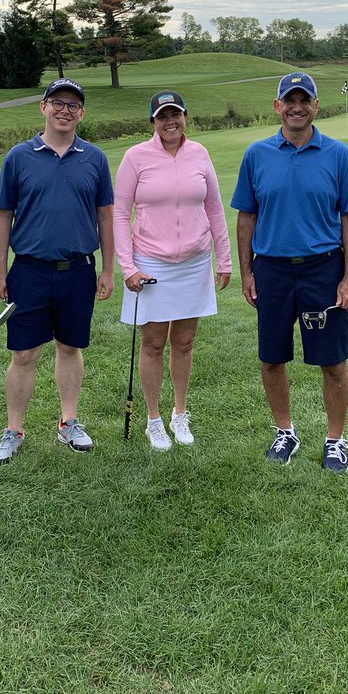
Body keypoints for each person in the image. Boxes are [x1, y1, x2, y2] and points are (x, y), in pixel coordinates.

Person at [231, 72, 348, 470]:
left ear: (315, 106)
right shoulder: (257, 154)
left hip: (324, 270)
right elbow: (246, 217)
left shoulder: (338, 154)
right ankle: (285, 432)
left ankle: (335, 440)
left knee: (332, 361)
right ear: (277, 106)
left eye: (304, 99)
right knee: (271, 359)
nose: (296, 107)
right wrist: (247, 272)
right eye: (289, 99)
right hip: (271, 270)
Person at [0, 78, 114, 461]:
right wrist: (0, 272)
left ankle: (69, 422)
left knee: (70, 347)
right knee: (24, 353)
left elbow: (105, 218)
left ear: (82, 113)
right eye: (57, 102)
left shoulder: (94, 158)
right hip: (29, 270)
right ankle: (13, 429)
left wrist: (108, 269)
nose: (65, 110)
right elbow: (2, 218)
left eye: (73, 105)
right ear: (43, 107)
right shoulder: (19, 156)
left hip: (78, 269)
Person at [114, 90, 232, 450]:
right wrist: (127, 267)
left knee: (184, 342)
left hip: (194, 262)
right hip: (150, 261)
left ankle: (180, 413)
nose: (170, 121)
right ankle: (154, 419)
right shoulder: (136, 157)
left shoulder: (200, 153)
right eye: (162, 116)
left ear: (185, 117)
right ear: (153, 122)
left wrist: (223, 258)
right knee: (152, 344)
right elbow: (120, 214)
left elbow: (213, 206)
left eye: (175, 114)